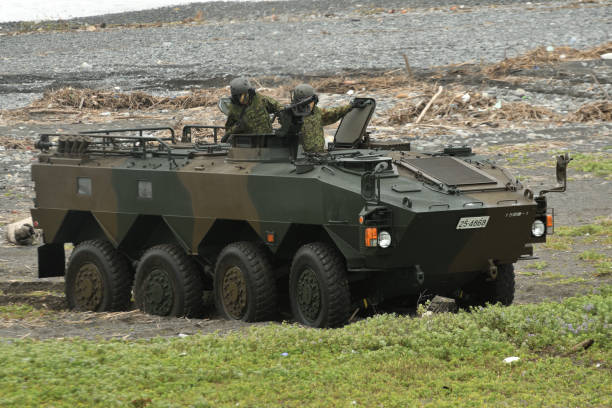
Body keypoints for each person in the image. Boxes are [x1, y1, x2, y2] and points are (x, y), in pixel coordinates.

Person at [291, 84, 367, 153]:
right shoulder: (291, 115)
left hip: (319, 155)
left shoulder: (316, 112)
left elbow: (332, 114)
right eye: (306, 103)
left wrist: (351, 106)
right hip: (301, 158)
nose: (310, 105)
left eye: (311, 102)